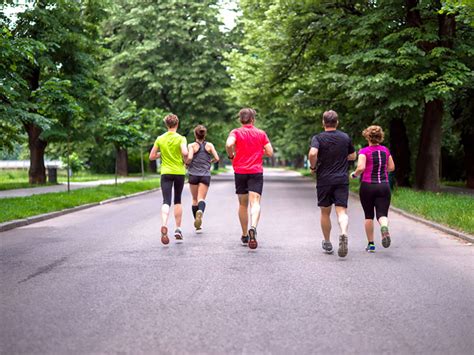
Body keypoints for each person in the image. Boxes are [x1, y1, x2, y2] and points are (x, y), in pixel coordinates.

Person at [308, 110, 356, 258]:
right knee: (341, 211)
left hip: (324, 180)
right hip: (341, 179)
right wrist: (341, 157)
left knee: (325, 212)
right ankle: (343, 233)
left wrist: (313, 167)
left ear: (323, 123)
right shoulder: (345, 137)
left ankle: (327, 242)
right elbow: (353, 155)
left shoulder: (318, 138)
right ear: (337, 122)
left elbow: (312, 154)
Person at [225, 108, 273, 249]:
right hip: (256, 172)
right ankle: (253, 227)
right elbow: (270, 152)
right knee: (255, 202)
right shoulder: (261, 133)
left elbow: (229, 144)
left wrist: (231, 155)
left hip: (240, 171)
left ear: (240, 119)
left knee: (242, 204)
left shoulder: (236, 132)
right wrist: (258, 151)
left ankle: (245, 234)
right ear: (253, 119)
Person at [350, 125, 395, 252]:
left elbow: (361, 168)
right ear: (380, 137)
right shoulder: (386, 150)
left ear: (367, 137)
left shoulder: (364, 152)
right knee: (382, 214)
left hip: (368, 186)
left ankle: (371, 244)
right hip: (383, 186)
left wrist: (354, 174)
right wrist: (380, 169)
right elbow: (391, 167)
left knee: (368, 216)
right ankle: (384, 227)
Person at [149, 114, 188, 244]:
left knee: (166, 201)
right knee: (177, 200)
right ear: (177, 124)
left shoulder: (160, 138)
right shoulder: (181, 138)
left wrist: (163, 153)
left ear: (166, 125)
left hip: (165, 172)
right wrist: (184, 157)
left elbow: (152, 156)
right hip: (179, 172)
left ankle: (164, 224)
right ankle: (178, 229)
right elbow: (185, 153)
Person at [186, 125, 220, 233]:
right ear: (204, 135)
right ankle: (200, 211)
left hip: (193, 174)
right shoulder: (209, 145)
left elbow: (190, 157)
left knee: (194, 199)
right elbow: (217, 158)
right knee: (201, 199)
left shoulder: (191, 145)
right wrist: (210, 162)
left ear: (195, 134)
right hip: (205, 175)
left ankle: (197, 226)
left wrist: (186, 163)